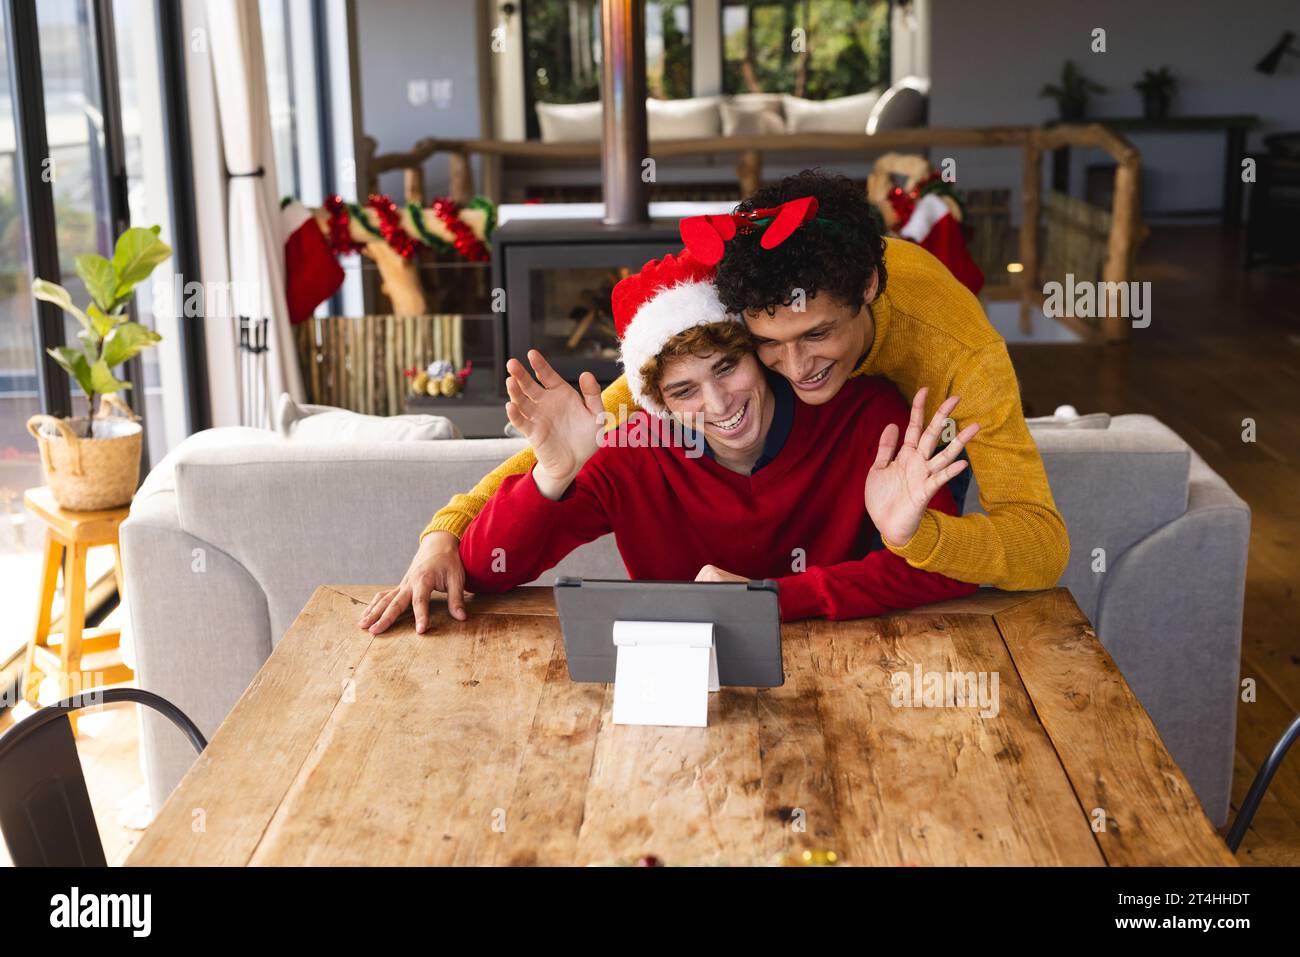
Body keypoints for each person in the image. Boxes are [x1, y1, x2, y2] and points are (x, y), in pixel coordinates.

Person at [360, 171, 1066, 635]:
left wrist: (916, 539)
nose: (795, 367)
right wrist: (448, 530)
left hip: (878, 539)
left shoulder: (932, 373)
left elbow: (1039, 551)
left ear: (870, 289)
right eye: (767, 344)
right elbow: (567, 449)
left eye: (817, 333)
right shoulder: (658, 417)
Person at [451, 251, 979, 620]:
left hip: (850, 664)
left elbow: (952, 575)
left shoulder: (869, 418)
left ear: (760, 354)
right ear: (657, 405)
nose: (719, 404)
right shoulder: (629, 453)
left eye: (727, 368)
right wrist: (552, 474)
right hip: (684, 680)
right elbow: (484, 571)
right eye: (684, 391)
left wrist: (770, 598)